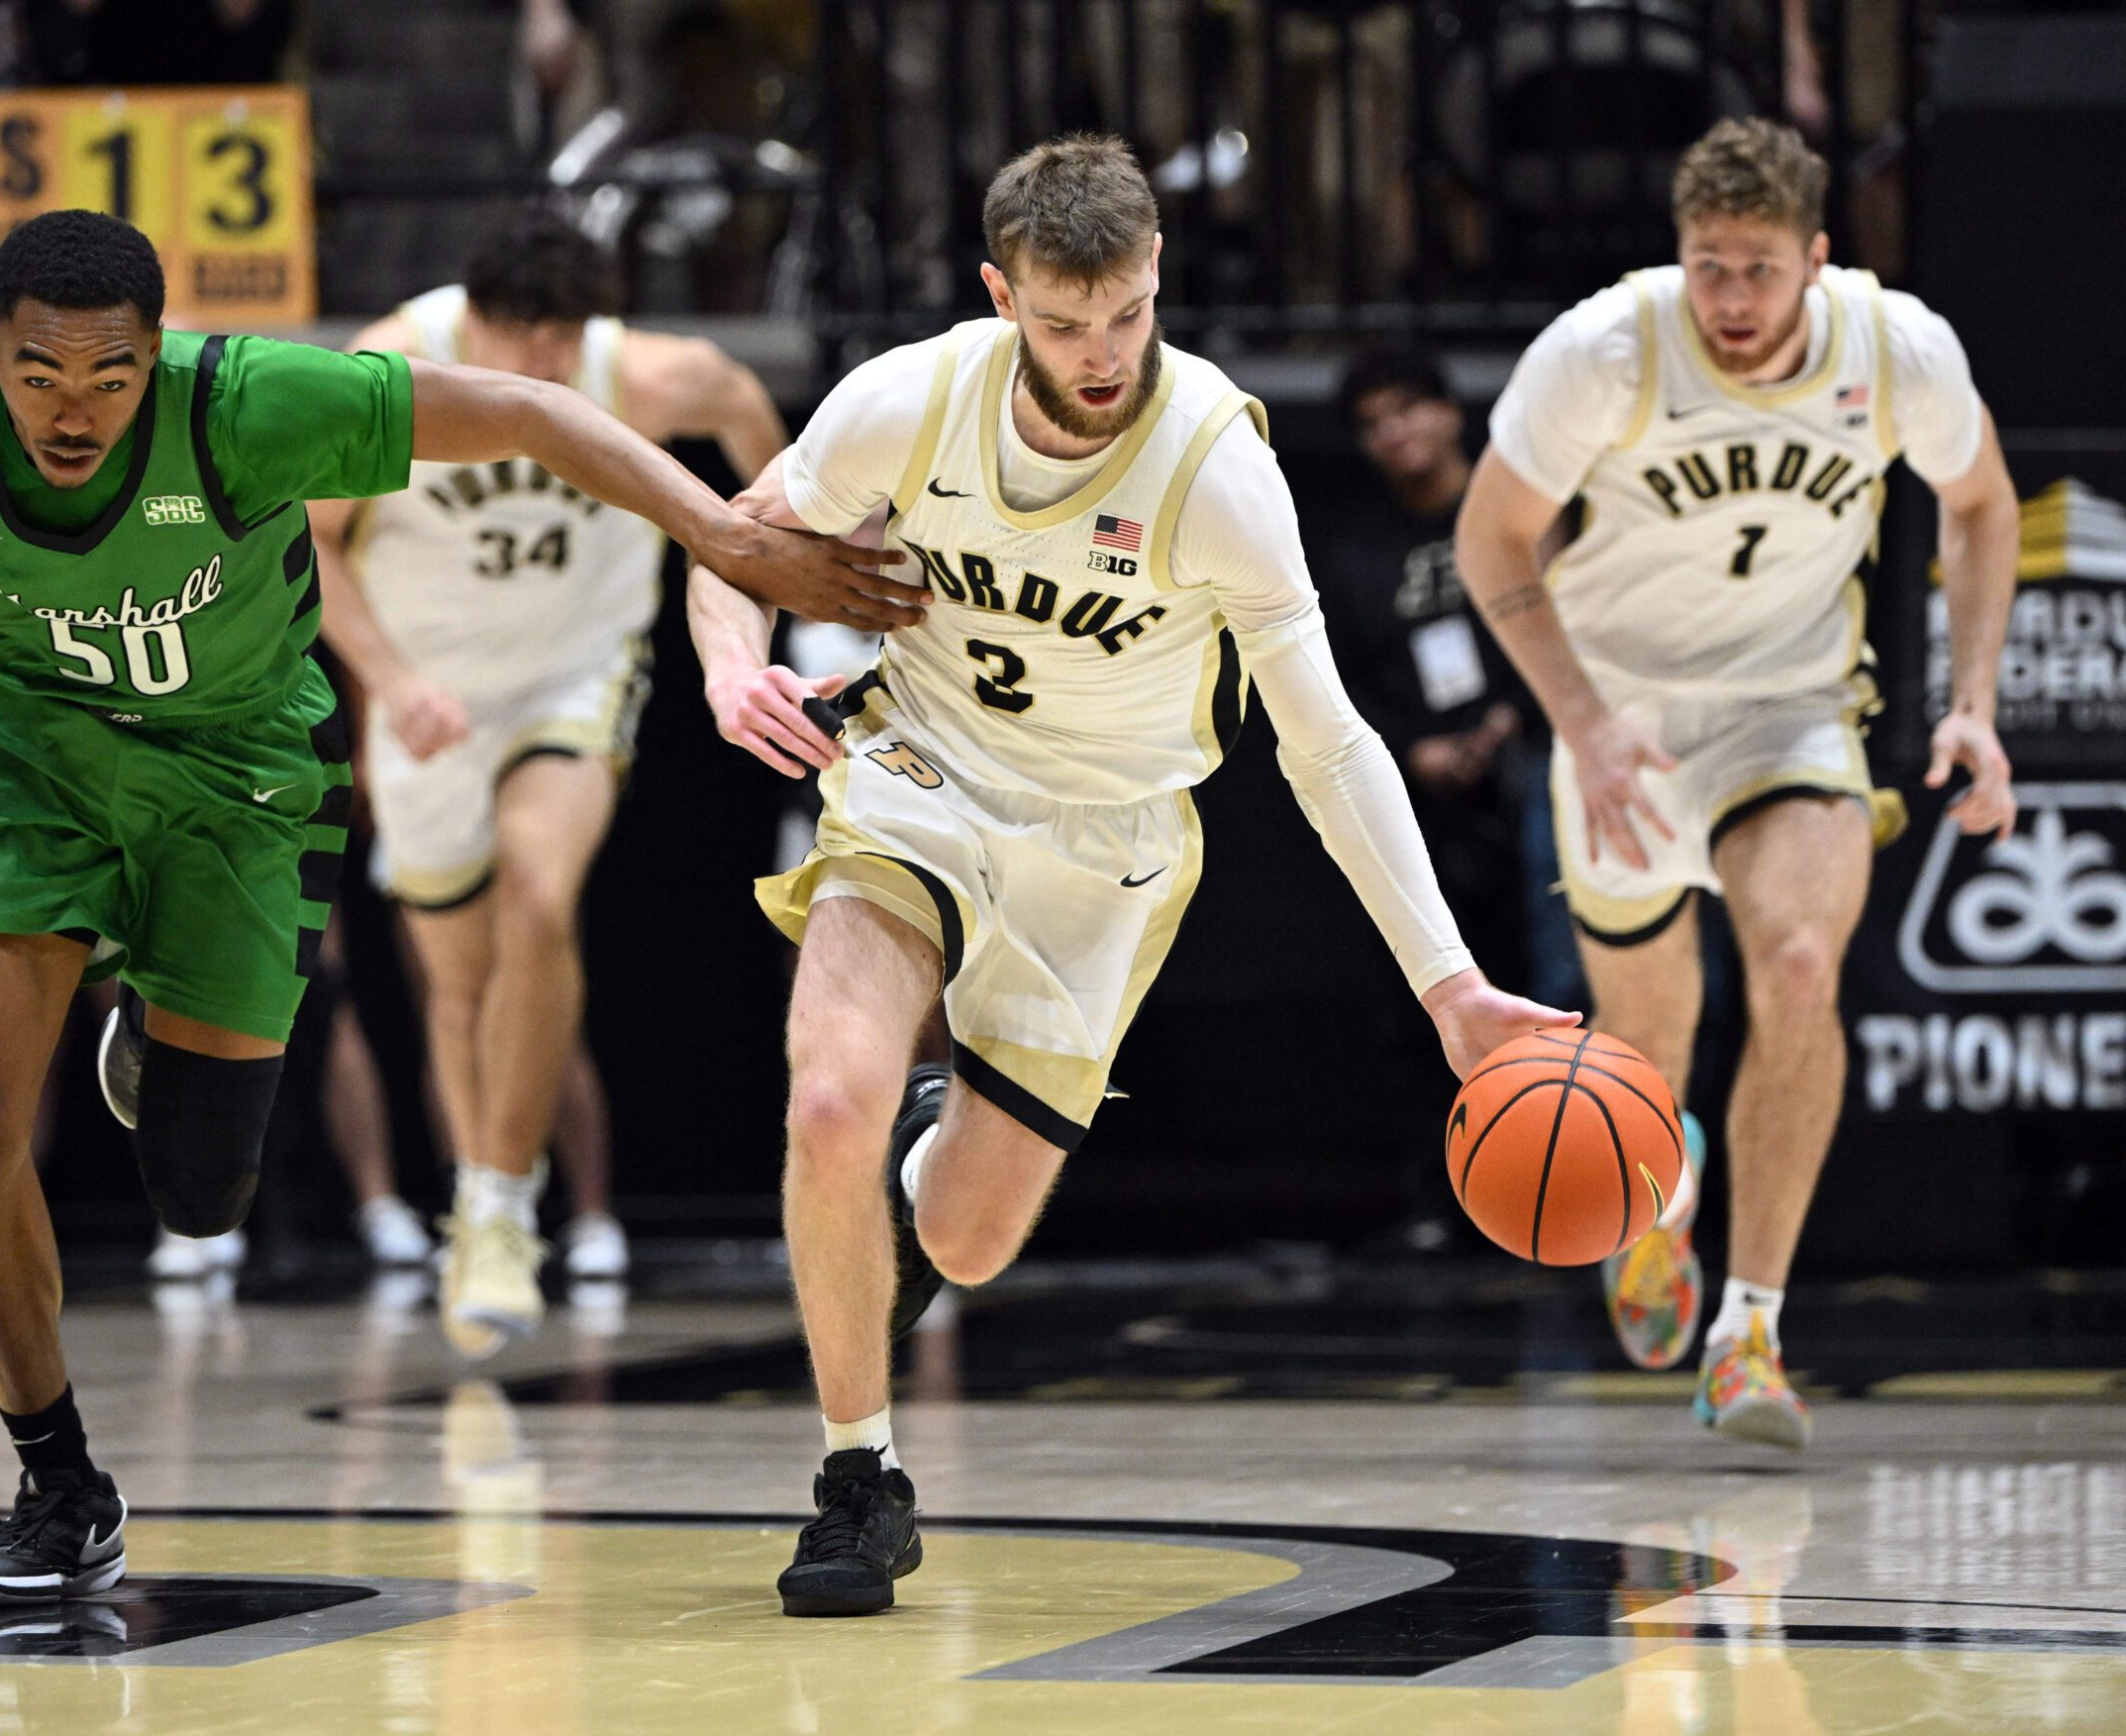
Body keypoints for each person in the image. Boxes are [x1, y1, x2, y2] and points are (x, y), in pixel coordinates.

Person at [0, 206, 919, 1605]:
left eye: (108, 377)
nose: (71, 411)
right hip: (38, 763)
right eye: (37, 374)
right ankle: (57, 1481)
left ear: (161, 354)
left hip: (239, 772)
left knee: (206, 1195)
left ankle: (164, 1018)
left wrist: (727, 541)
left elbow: (530, 413)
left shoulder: (252, 399)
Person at [686, 135, 1565, 1617]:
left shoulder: (1218, 469)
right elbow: (731, 545)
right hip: (918, 777)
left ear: (1157, 280)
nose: (1101, 357)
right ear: (999, 293)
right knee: (822, 1089)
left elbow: (1332, 749)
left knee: (960, 1233)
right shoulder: (908, 401)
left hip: (1106, 847)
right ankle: (857, 1479)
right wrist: (732, 673)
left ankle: (913, 1165)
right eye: (1062, 322)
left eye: (1127, 316)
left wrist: (1452, 987)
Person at [1454, 118, 2019, 1450]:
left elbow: (1983, 502)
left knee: (1805, 961)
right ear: (1681, 254)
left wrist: (1977, 704)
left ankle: (1749, 1332)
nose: (1734, 301)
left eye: (1762, 269)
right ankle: (1668, 1189)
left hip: (1792, 708)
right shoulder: (1607, 350)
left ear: (1818, 258)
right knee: (1647, 1049)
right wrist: (1581, 724)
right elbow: (1491, 539)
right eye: (1710, 266)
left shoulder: (1895, 350)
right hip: (1623, 720)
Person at [313, 206, 793, 1350]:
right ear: (469, 320)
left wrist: (795, 566)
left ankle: (495, 1203)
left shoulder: (644, 372)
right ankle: (485, 1193)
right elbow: (308, 540)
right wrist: (382, 679)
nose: (541, 368)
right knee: (456, 981)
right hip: (429, 690)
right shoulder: (386, 372)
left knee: (539, 889)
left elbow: (741, 409)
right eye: (519, 340)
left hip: (574, 679)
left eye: (560, 343)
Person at [1317, 347, 1535, 1250]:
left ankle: (1552, 1179)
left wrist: (1513, 717)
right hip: (1418, 791)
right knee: (1419, 1000)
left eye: (1407, 409)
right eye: (1373, 423)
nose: (1395, 433)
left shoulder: (1516, 508)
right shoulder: (1360, 549)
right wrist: (1416, 748)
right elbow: (1337, 680)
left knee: (1548, 981)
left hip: (1534, 765)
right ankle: (1443, 1197)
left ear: (1451, 410)